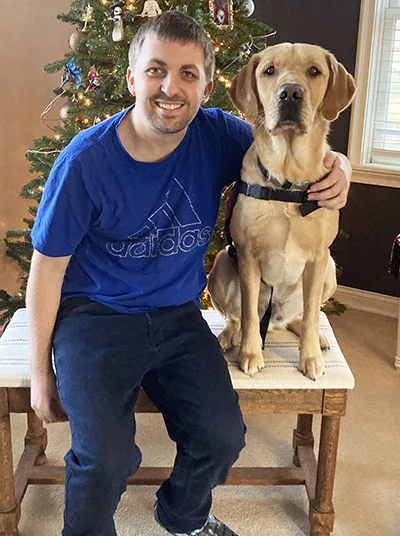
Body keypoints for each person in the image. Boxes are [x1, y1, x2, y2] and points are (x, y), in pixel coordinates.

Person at [27, 11, 352, 536]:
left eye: (187, 74)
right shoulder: (84, 162)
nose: (170, 88)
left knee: (222, 435)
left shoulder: (218, 135)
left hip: (177, 316)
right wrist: (41, 375)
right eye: (156, 70)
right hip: (96, 318)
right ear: (132, 78)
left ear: (205, 86)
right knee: (105, 457)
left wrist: (342, 170)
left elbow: (291, 149)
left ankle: (182, 515)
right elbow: (46, 269)